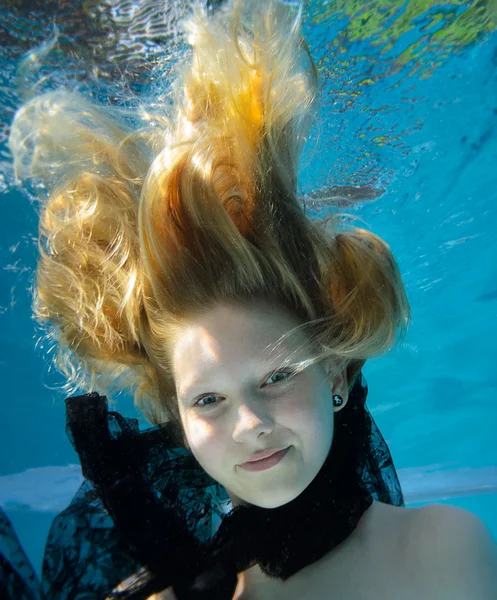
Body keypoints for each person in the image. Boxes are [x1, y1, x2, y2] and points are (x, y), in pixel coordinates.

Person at [3, 0, 497, 598]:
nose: (250, 424)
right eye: (208, 399)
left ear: (335, 374)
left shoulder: (442, 551)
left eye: (278, 375)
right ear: (177, 423)